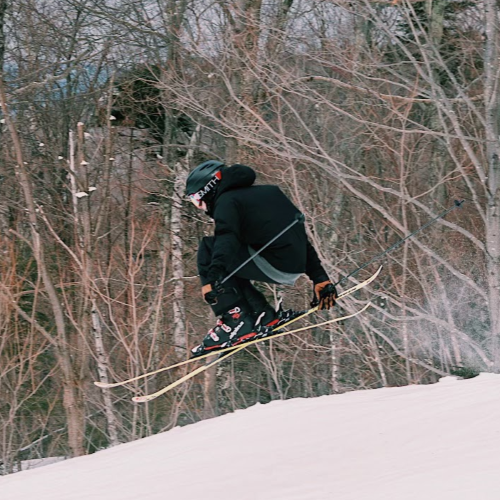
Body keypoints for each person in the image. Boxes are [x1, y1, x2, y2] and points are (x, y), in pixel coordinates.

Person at [186, 160, 337, 356]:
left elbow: (227, 238)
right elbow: (297, 236)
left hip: (272, 263)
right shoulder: (269, 193)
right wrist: (320, 278)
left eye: (197, 200)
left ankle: (235, 318)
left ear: (209, 187)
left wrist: (212, 276)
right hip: (291, 263)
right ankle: (263, 315)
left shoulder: (227, 201)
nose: (200, 207)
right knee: (230, 259)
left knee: (209, 248)